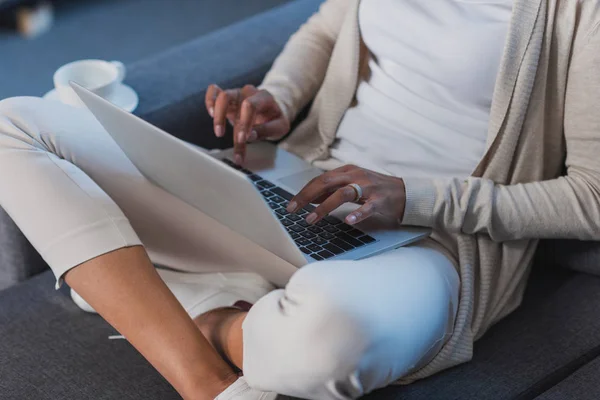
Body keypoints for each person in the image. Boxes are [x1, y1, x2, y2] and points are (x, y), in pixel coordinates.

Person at [1, 0, 599, 399]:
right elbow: (325, 28)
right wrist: (278, 98)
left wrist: (413, 197)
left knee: (327, 338)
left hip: (430, 242)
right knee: (15, 124)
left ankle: (168, 304)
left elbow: (590, 199)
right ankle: (207, 381)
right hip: (289, 181)